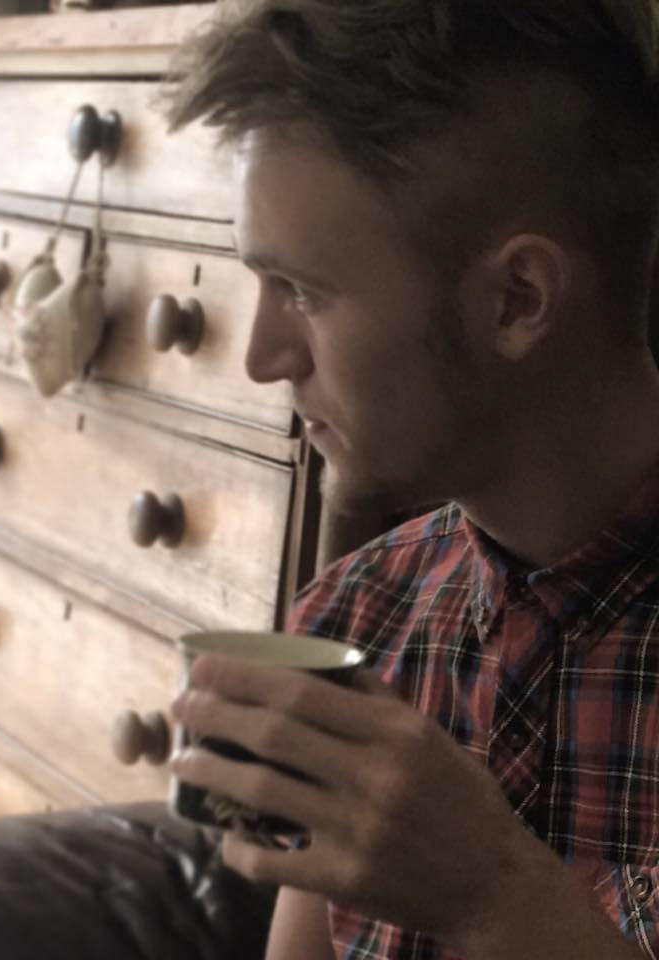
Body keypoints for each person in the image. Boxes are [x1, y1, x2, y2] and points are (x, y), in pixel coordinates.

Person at [161, 1, 659, 958]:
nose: (261, 358)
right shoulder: (358, 615)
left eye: (301, 291)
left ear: (516, 300)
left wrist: (489, 893)